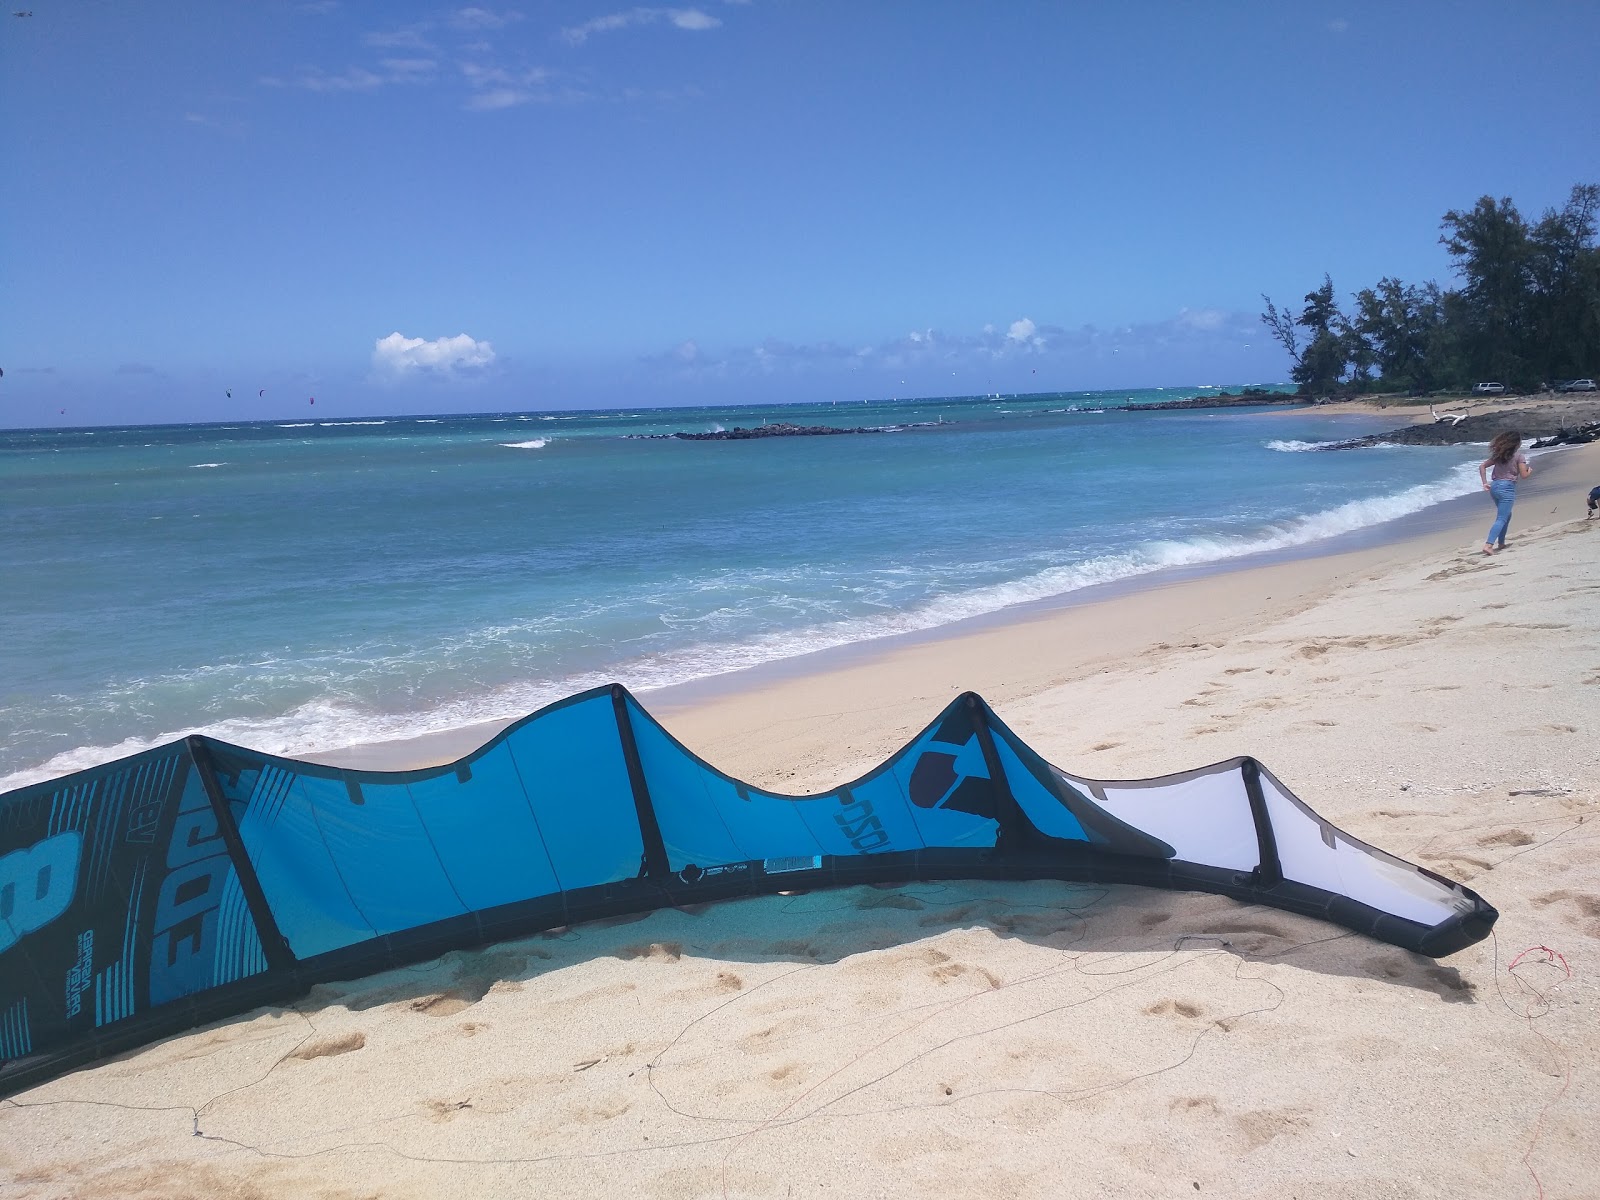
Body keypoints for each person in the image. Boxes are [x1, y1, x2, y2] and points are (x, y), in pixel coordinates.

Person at [1478, 431, 1530, 554]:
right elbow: (1524, 475)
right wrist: (1529, 471)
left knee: (1506, 515)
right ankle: (1488, 545)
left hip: (1495, 486)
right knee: (1502, 517)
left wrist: (1485, 482)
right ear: (1516, 443)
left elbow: (1482, 466)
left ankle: (1501, 542)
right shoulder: (1519, 456)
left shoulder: (1499, 455)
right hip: (1507, 487)